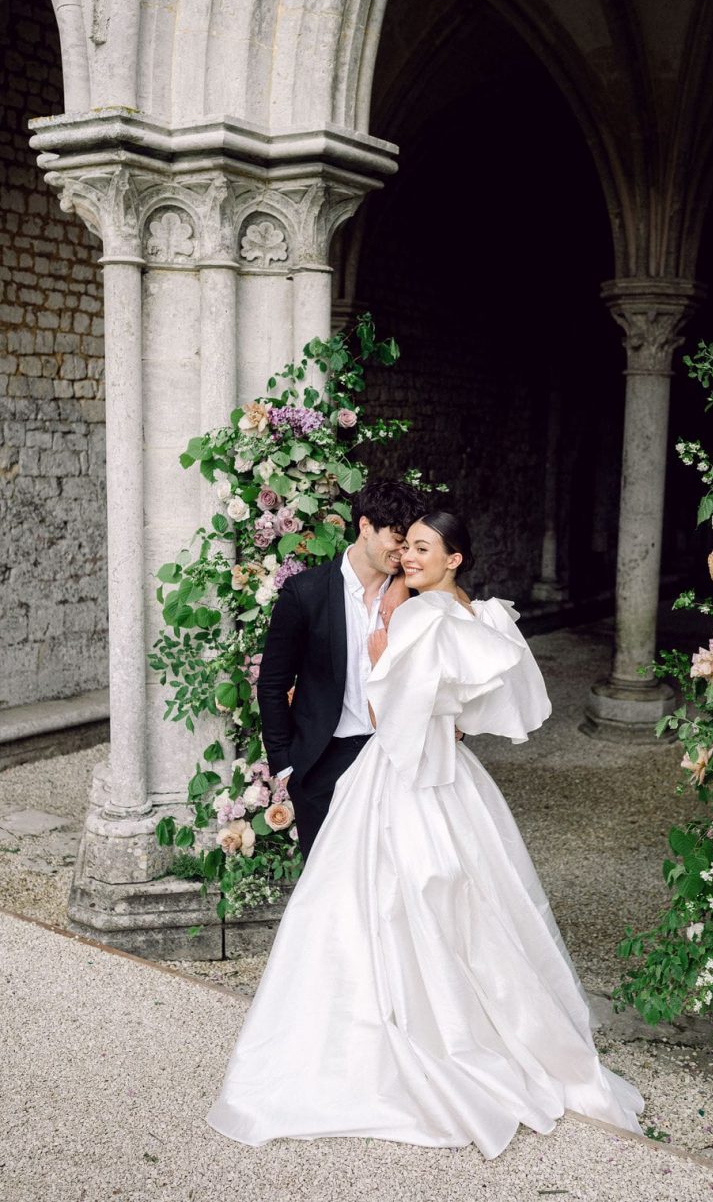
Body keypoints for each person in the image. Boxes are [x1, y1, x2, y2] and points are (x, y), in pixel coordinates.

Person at [207, 511, 645, 1159]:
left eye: (421, 547)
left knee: (386, 899)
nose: (407, 556)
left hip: (398, 774)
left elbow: (392, 715)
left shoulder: (410, 617)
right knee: (468, 899)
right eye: (405, 545)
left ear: (454, 557)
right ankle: (475, 1027)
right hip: (452, 777)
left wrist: (388, 655)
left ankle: (401, 1039)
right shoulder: (483, 617)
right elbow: (496, 711)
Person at [256, 477, 426, 860]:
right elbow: (271, 685)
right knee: (328, 886)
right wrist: (285, 765)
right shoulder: (305, 593)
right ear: (365, 526)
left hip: (394, 758)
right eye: (397, 539)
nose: (403, 552)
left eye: (410, 543)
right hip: (323, 765)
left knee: (393, 881)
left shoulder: (415, 596)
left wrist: (401, 582)